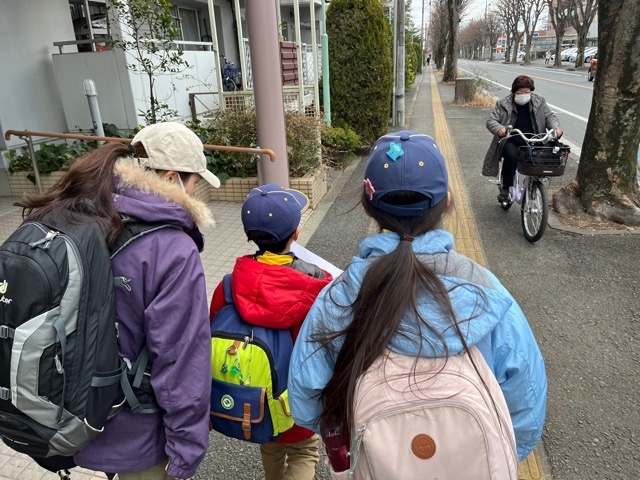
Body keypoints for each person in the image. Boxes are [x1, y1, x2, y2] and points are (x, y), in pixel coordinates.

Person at [287, 130, 548, 464]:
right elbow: (526, 405)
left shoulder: (338, 298)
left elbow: (305, 401)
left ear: (368, 209)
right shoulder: (487, 291)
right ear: (448, 202)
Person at [16, 122, 219, 480]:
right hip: (135, 430)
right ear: (171, 178)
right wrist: (187, 451)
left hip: (71, 412)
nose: (195, 191)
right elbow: (183, 359)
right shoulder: (171, 248)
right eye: (194, 181)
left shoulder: (80, 212)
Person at [209, 184, 333, 480]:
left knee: (271, 445)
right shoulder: (316, 287)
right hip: (298, 400)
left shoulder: (227, 286)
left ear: (248, 233)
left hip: (255, 400)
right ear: (296, 233)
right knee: (304, 450)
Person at [482, 75, 563, 203]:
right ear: (514, 91)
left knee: (542, 159)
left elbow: (549, 117)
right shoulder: (503, 103)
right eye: (520, 92)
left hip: (534, 139)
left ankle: (535, 183)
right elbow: (491, 121)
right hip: (511, 139)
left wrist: (556, 128)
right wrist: (500, 129)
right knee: (511, 156)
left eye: (527, 92)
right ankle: (505, 187)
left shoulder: (539, 101)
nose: (524, 95)